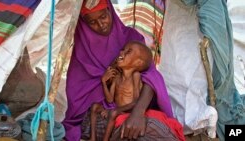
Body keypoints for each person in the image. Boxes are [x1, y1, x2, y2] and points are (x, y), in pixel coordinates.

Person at [62, 0, 173, 140]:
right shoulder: (81, 53)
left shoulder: (131, 38)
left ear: (110, 10)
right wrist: (104, 84)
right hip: (98, 116)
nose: (101, 25)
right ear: (84, 24)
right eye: (92, 22)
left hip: (133, 109)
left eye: (103, 17)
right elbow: (78, 102)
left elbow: (151, 76)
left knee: (153, 130)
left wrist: (138, 112)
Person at [90, 41, 153, 141]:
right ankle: (92, 138)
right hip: (115, 108)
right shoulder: (117, 77)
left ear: (138, 63)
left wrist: (117, 110)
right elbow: (110, 100)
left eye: (128, 52)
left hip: (127, 111)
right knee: (94, 107)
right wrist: (103, 82)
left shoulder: (135, 76)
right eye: (123, 49)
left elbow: (136, 102)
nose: (121, 53)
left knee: (114, 113)